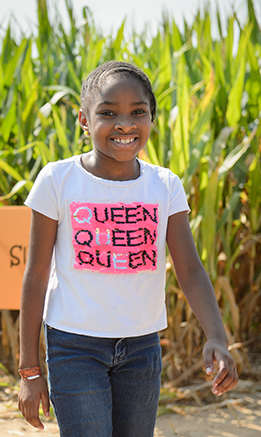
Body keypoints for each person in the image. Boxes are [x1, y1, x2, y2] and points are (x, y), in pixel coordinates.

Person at [17, 61, 238, 437]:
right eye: (107, 113)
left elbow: (190, 269)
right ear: (84, 120)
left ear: (152, 118)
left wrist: (217, 335)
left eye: (138, 112)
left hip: (142, 348)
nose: (124, 124)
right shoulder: (58, 180)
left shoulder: (164, 185)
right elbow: (36, 277)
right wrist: (30, 371)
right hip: (75, 347)